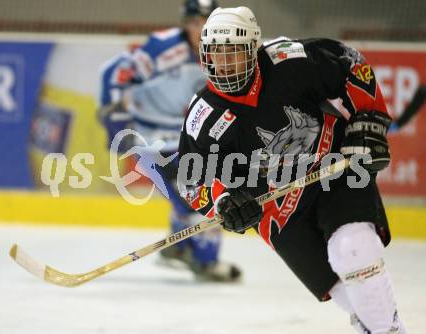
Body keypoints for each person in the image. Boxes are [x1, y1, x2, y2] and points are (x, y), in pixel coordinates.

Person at [178, 6, 407, 333]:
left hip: (333, 167)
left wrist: (368, 117)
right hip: (276, 208)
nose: (225, 65)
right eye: (217, 54)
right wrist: (223, 200)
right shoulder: (203, 117)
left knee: (353, 250)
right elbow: (191, 181)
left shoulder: (291, 62)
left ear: (254, 50)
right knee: (343, 290)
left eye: (234, 54)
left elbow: (350, 62)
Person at [98, 0, 242, 282]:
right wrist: (112, 111)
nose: (201, 30)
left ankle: (177, 249)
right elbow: (114, 71)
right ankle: (205, 262)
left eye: (207, 21)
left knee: (192, 193)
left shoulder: (227, 52)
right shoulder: (163, 48)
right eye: (195, 22)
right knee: (198, 198)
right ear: (185, 23)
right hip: (149, 138)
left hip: (188, 136)